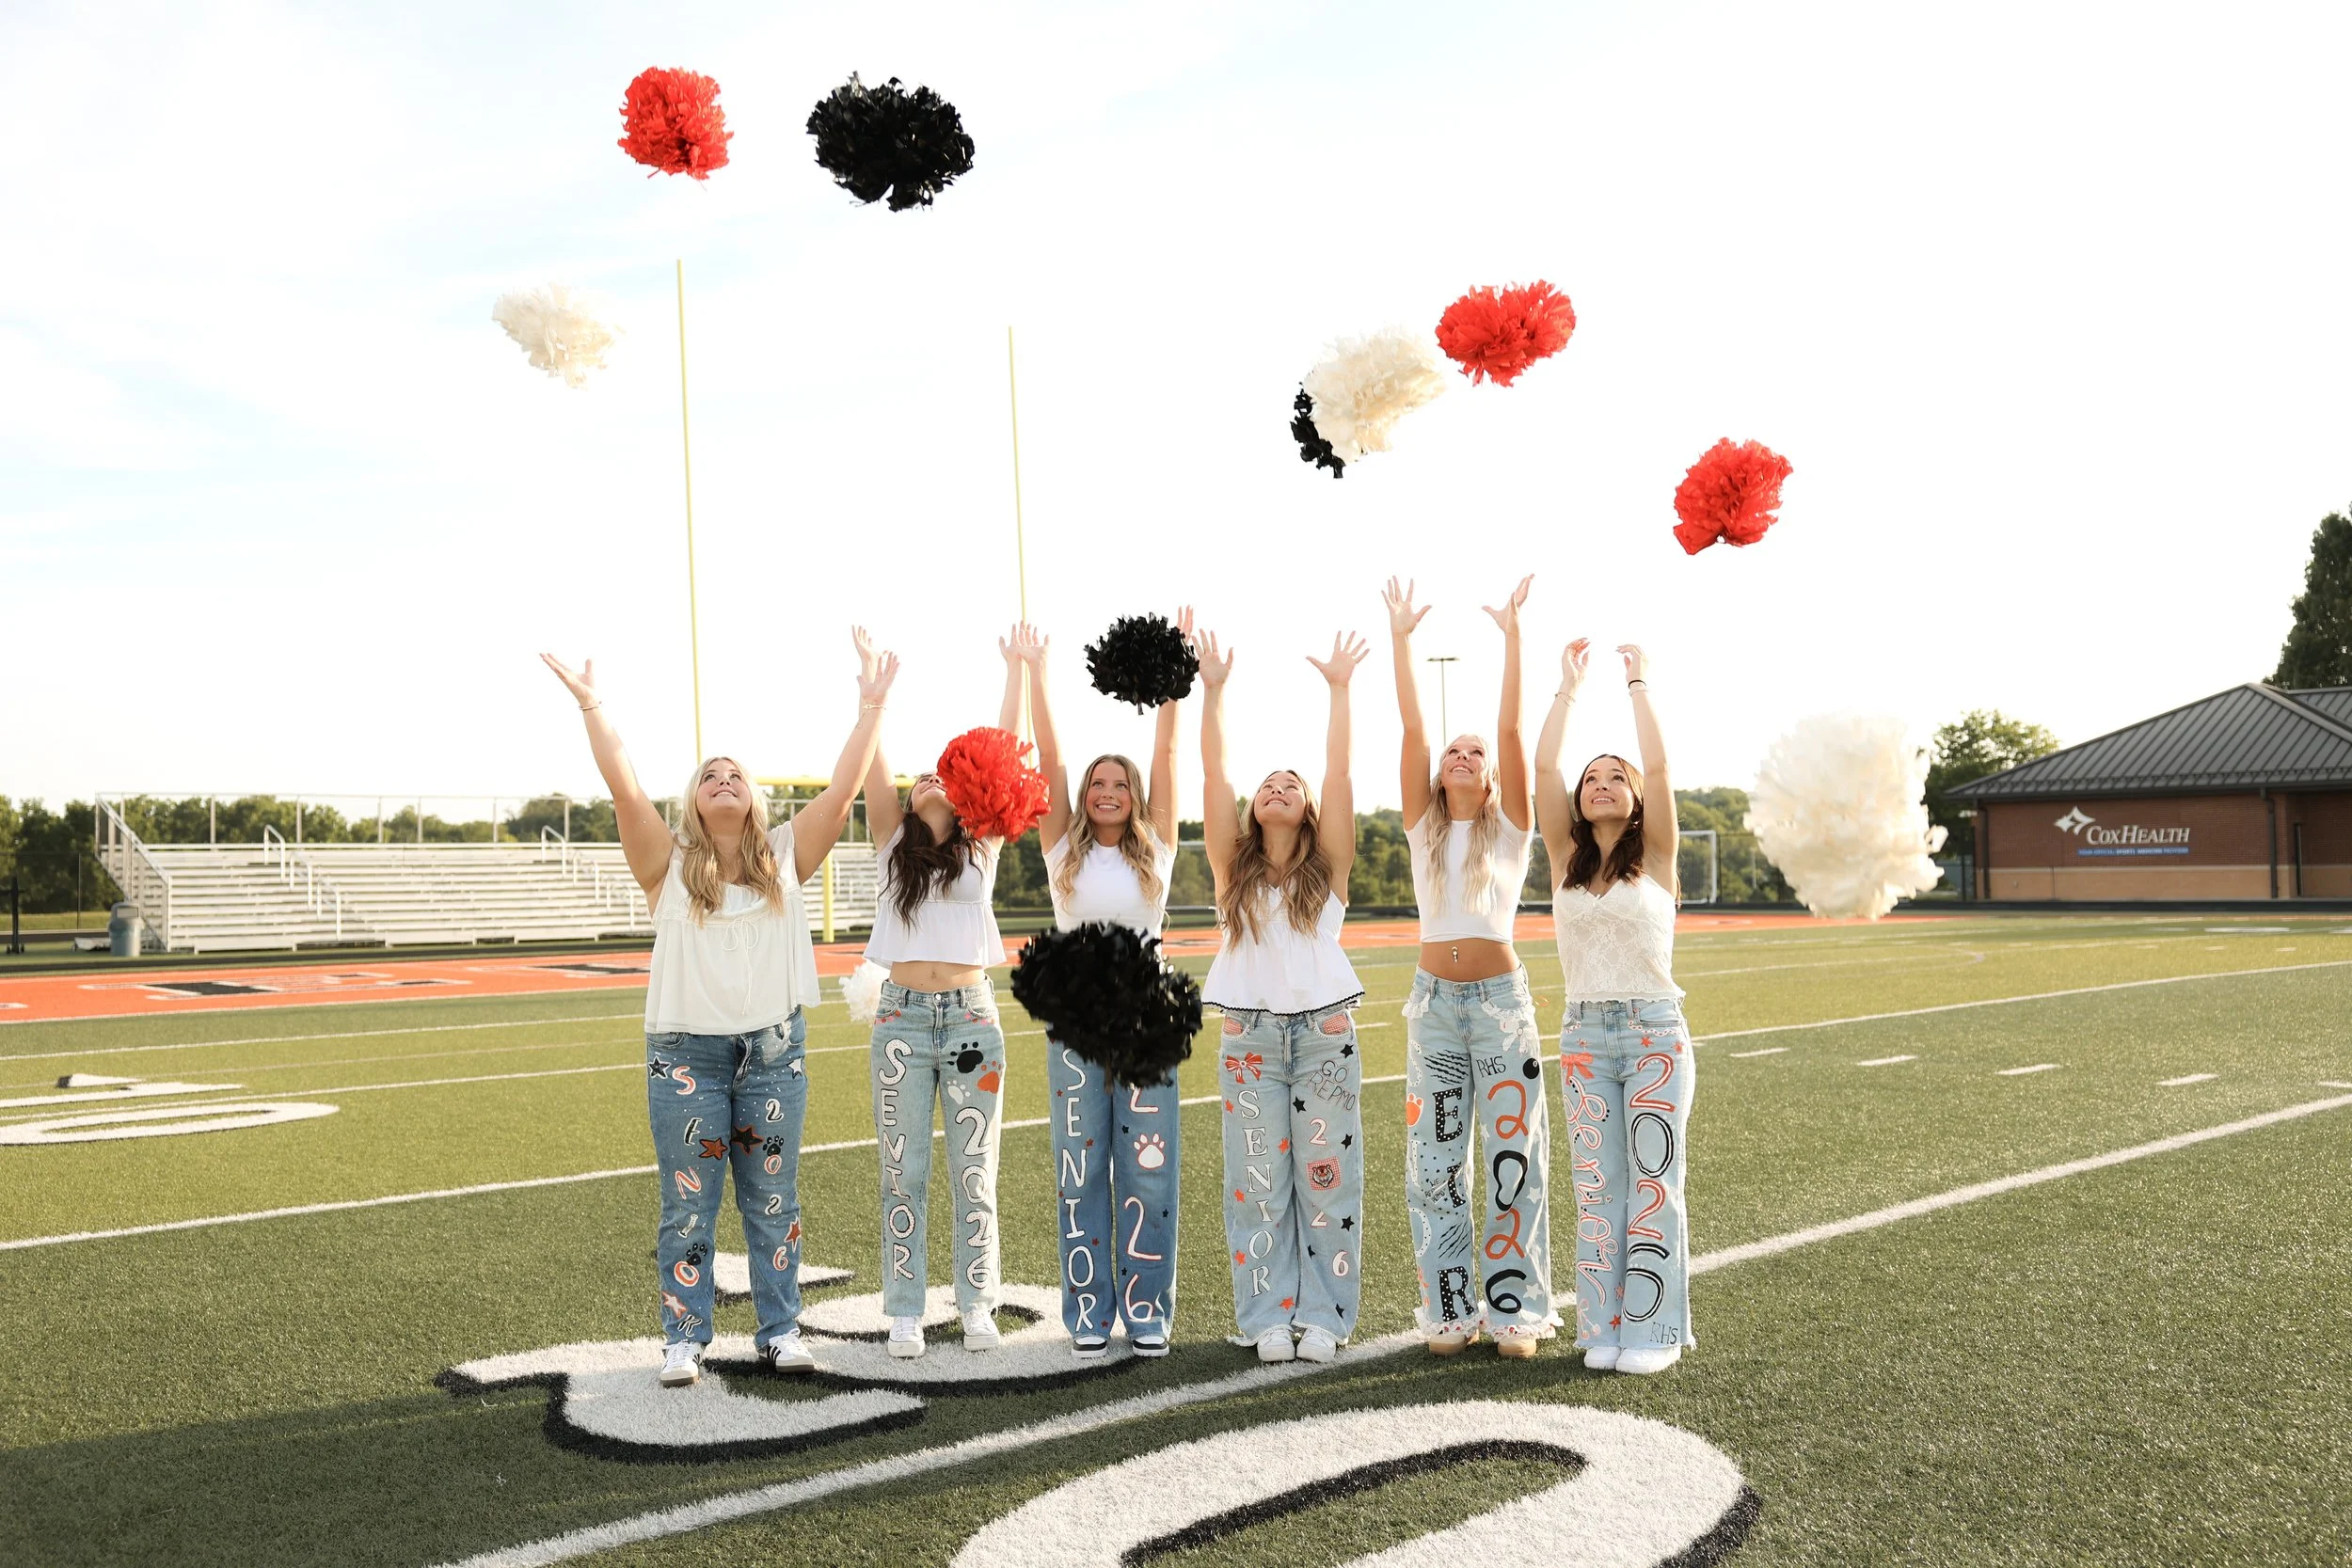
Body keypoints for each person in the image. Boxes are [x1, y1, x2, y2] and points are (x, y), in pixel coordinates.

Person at [539, 630, 897, 1388]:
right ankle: (684, 1337)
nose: (725, 778)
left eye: (736, 773)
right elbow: (625, 787)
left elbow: (840, 790)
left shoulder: (789, 858)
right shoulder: (664, 864)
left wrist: (870, 708)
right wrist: (594, 706)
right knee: (687, 1207)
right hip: (685, 1060)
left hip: (774, 1051)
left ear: (755, 800)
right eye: (711, 774)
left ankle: (779, 1329)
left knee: (774, 1199)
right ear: (696, 802)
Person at [1009, 615, 1191, 1357]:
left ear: (1135, 795)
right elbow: (1048, 756)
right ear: (1083, 796)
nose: (1107, 790)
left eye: (1119, 783)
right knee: (1080, 1166)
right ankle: (1087, 1307)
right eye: (1097, 783)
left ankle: (1147, 1308)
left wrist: (1176, 671)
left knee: (1148, 1172)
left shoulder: (1161, 849)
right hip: (1077, 1023)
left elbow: (1169, 746)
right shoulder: (1063, 853)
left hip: (1146, 1021)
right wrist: (1036, 673)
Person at [1382, 576, 1552, 1359]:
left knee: (1512, 1155)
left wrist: (1515, 637)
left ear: (1488, 778)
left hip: (1498, 1004)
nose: (1462, 754)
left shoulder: (1511, 829)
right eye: (1455, 750)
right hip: (1434, 1006)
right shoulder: (1422, 829)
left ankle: (1516, 1308)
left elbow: (1513, 729)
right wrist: (1401, 637)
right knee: (1436, 1163)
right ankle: (1450, 1306)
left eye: (1473, 753)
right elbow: (1413, 724)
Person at [1196, 622, 1372, 1364]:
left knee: (1328, 1183)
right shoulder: (1231, 876)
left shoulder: (1327, 875)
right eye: (1268, 784)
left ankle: (1327, 1316)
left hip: (1324, 1033)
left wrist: (1338, 691)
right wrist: (1214, 693)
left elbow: (1338, 776)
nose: (1278, 787)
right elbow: (1213, 779)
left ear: (1305, 812)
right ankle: (1266, 1314)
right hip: (1251, 1039)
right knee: (1258, 1183)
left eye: (1289, 785)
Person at [858, 637, 1027, 1359]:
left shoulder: (981, 845)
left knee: (974, 1169)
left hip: (970, 1015)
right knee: (905, 1172)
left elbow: (1006, 757)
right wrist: (874, 698)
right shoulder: (892, 838)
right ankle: (905, 1310)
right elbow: (871, 766)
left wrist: (1016, 672)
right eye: (920, 775)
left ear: (963, 799)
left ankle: (977, 1302)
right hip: (899, 1015)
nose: (930, 779)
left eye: (942, 777)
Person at [1534, 640, 1692, 1375]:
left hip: (1654, 1030)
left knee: (1654, 1183)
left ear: (1631, 795)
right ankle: (1602, 1323)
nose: (1599, 784)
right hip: (1585, 1034)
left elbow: (1659, 768)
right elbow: (1542, 770)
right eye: (1590, 777)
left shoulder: (1656, 853)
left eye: (1613, 777)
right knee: (1599, 1186)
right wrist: (1566, 690)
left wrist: (1636, 684)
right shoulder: (1565, 855)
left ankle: (1654, 1331)